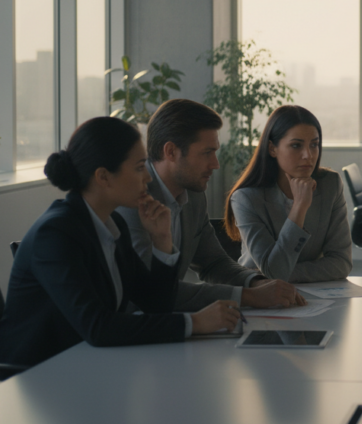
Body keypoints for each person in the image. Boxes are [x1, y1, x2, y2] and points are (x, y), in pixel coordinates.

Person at [0, 117, 241, 367]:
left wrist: (161, 239)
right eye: (139, 167)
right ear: (104, 177)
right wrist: (195, 323)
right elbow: (98, 326)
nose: (148, 179)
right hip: (31, 379)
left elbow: (155, 304)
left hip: (83, 367)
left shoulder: (111, 225)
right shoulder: (55, 233)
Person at [121, 99, 304, 312]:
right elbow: (152, 291)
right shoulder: (134, 200)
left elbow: (213, 263)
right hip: (129, 330)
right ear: (170, 152)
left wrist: (255, 283)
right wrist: (247, 296)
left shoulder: (193, 195)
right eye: (207, 152)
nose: (216, 164)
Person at [225, 105, 353, 283]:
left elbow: (341, 263)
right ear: (272, 149)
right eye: (296, 145)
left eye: (314, 145)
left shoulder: (330, 185)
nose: (308, 155)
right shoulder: (246, 198)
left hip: (316, 295)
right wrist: (299, 207)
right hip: (259, 296)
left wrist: (279, 274)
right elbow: (274, 270)